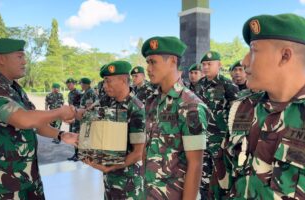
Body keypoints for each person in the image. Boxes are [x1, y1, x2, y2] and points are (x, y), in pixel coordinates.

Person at [0, 38, 78, 200]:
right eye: (20, 57)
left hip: (28, 174)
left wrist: (61, 135)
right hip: (4, 179)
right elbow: (23, 119)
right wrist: (59, 112)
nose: (25, 61)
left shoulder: (14, 89)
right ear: (1, 59)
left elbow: (35, 123)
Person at [225, 13, 305, 199]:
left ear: (285, 55)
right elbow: (226, 172)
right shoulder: (244, 106)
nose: (244, 61)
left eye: (254, 50)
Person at [141, 36, 208, 199]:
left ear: (172, 61)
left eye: (153, 62)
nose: (148, 69)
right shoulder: (152, 101)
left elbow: (196, 164)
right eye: (147, 63)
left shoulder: (190, 105)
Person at [83, 60, 146, 199]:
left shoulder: (135, 108)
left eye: (108, 81)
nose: (104, 86)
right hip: (108, 178)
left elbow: (138, 153)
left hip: (128, 182)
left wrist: (112, 167)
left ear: (123, 80)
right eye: (104, 82)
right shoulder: (106, 101)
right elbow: (88, 113)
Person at [193, 50, 239, 199]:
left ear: (219, 65)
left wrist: (231, 140)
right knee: (203, 175)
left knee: (221, 176)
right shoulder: (199, 85)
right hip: (201, 139)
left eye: (209, 64)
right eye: (204, 64)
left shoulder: (228, 85)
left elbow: (236, 114)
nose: (205, 67)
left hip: (219, 140)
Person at [65, 78, 82, 161]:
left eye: (70, 84)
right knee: (73, 135)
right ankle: (76, 154)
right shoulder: (70, 93)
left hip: (77, 119)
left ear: (73, 84)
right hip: (72, 117)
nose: (68, 86)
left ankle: (79, 155)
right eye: (67, 85)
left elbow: (81, 106)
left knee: (77, 135)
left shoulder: (78, 93)